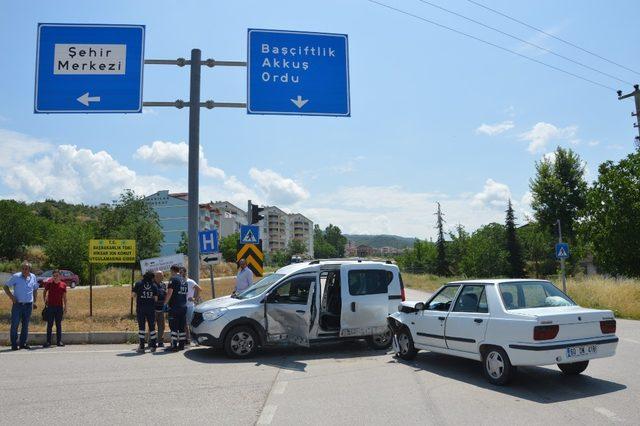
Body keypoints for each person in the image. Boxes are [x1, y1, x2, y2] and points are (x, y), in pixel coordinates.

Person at [3, 261, 39, 350]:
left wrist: (34, 301)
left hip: (28, 305)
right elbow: (5, 286)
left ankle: (23, 343)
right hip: (17, 305)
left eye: (26, 268)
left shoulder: (33, 277)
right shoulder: (16, 276)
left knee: (25, 325)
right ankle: (14, 344)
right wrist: (12, 297)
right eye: (22, 268)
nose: (24, 270)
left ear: (29, 269)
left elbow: (35, 289)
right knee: (15, 324)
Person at [131, 271, 159, 353]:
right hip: (151, 309)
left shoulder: (138, 284)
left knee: (141, 328)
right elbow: (156, 299)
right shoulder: (154, 285)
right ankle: (153, 346)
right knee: (152, 328)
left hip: (140, 308)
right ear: (152, 277)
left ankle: (142, 347)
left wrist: (140, 295)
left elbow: (133, 295)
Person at [163, 265, 188, 352]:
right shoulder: (184, 280)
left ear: (172, 270)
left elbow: (170, 293)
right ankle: (181, 345)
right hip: (184, 306)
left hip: (175, 307)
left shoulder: (173, 279)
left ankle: (174, 346)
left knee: (173, 327)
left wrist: (165, 303)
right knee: (181, 327)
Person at [42, 269, 67, 348]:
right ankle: (48, 342)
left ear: (60, 276)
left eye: (57, 275)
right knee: (49, 324)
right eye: (54, 276)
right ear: (52, 276)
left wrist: (65, 307)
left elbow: (64, 297)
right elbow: (44, 291)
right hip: (50, 307)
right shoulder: (49, 283)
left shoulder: (63, 285)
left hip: (59, 307)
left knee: (58, 325)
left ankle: (59, 341)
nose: (55, 277)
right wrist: (45, 300)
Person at [180, 266, 201, 345]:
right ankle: (187, 339)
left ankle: (194, 340)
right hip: (182, 305)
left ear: (185, 272)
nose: (181, 273)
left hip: (189, 306)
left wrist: (194, 298)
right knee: (184, 323)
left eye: (182, 272)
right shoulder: (179, 281)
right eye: (180, 272)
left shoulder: (190, 281)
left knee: (189, 324)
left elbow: (199, 289)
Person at [153, 271, 167, 348]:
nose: (163, 277)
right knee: (152, 326)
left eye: (162, 275)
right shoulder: (152, 285)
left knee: (162, 326)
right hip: (153, 309)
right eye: (161, 276)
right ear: (156, 276)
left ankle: (160, 342)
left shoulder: (163, 284)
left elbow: (165, 294)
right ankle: (151, 342)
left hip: (162, 309)